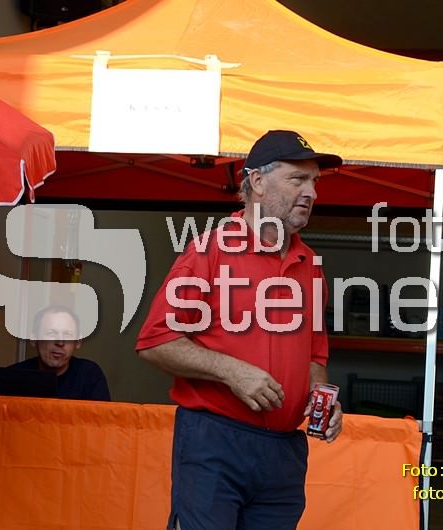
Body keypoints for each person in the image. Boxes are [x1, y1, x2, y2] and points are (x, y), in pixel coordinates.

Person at [136, 130, 343, 529]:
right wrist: (232, 372)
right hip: (215, 442)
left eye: (315, 181)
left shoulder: (310, 266)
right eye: (298, 179)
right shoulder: (209, 252)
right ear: (258, 182)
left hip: (283, 453)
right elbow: (156, 341)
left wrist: (322, 398)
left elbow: (315, 356)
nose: (312, 192)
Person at [11, 305, 110, 401]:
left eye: (67, 334)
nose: (60, 342)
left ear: (78, 342)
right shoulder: (13, 377)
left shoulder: (89, 376)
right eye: (51, 333)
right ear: (34, 339)